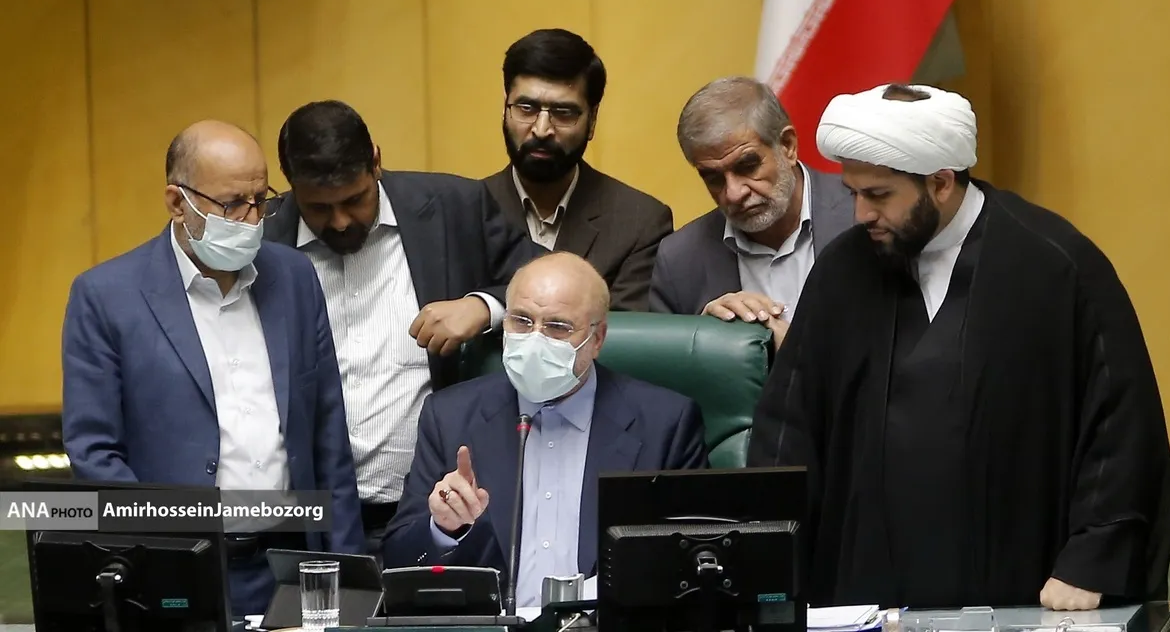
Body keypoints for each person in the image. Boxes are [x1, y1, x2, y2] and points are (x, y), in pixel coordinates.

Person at [748, 83, 1170, 611]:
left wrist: (1092, 559)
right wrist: (767, 557)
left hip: (1022, 584)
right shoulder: (843, 269)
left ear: (940, 182)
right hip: (869, 592)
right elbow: (789, 424)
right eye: (852, 192)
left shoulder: (1053, 265)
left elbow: (1120, 424)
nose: (860, 214)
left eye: (879, 195)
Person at [61, 120, 364, 619]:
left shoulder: (294, 278)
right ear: (178, 202)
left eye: (261, 200)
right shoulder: (106, 297)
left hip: (294, 564)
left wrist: (349, 575)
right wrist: (159, 558)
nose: (251, 219)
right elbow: (95, 453)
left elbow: (328, 433)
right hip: (181, 567)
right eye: (232, 204)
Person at [263, 100, 540, 556]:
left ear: (375, 160)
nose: (340, 221)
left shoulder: (454, 206)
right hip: (309, 517)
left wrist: (485, 306)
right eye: (319, 208)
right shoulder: (264, 239)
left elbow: (553, 277)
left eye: (354, 200)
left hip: (434, 509)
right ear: (290, 183)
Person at [380, 252, 709, 607]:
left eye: (557, 327)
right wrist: (443, 529)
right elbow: (398, 562)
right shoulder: (450, 416)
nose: (535, 340)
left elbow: (693, 563)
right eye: (521, 321)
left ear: (597, 339)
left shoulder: (665, 423)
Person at [649, 76, 854, 346]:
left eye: (747, 166)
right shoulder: (680, 260)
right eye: (713, 178)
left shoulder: (863, 215)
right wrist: (701, 342)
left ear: (788, 146)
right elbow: (663, 367)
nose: (734, 193)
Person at [484, 28, 674, 311]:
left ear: (592, 120)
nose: (541, 129)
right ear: (505, 108)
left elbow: (623, 334)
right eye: (526, 108)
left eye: (563, 113)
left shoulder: (639, 222)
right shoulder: (465, 212)